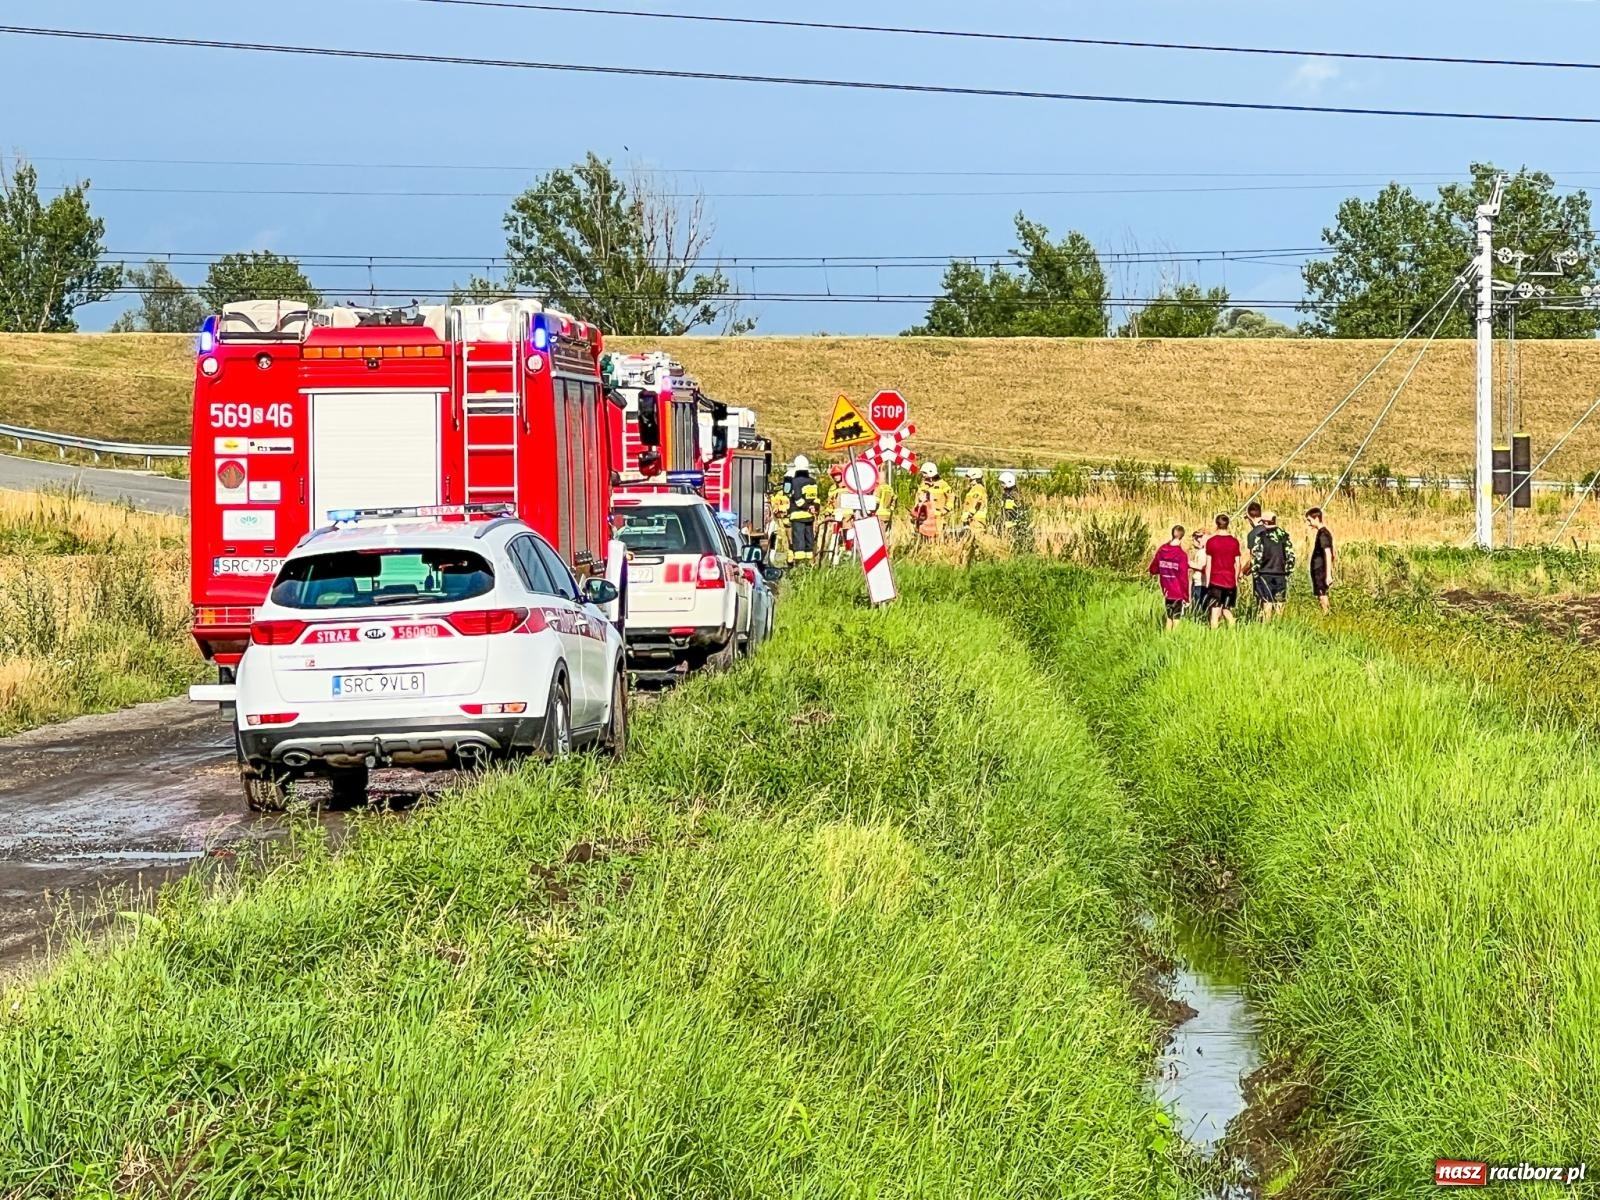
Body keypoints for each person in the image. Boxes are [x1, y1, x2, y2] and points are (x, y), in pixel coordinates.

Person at [1251, 510, 1296, 624]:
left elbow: (1257, 557)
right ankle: (1279, 625)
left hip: (1265, 573)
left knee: (1267, 602)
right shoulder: (1284, 536)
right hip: (1281, 573)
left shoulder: (1261, 536)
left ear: (1265, 522)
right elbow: (1290, 556)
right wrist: (1288, 571)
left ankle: (1267, 626)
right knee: (1280, 601)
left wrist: (1255, 572)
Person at [1203, 512, 1245, 628]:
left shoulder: (1211, 542)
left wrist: (1207, 583)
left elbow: (1208, 564)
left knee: (1215, 612)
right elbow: (1237, 563)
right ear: (1228, 525)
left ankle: (1214, 635)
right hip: (1230, 580)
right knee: (1226, 609)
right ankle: (1233, 629)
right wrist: (1235, 580)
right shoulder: (1234, 542)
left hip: (1216, 580)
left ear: (1217, 524)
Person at [1149, 525, 1191, 631]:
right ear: (1182, 536)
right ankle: (1175, 638)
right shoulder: (1181, 555)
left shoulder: (1162, 550)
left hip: (1166, 589)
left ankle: (1166, 636)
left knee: (1169, 616)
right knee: (1176, 617)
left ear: (1172, 533)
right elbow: (1183, 578)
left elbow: (1153, 569)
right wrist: (1186, 597)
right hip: (1177, 591)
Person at [786, 455, 819, 563]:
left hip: (797, 516)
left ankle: (800, 565)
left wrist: (807, 506)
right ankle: (810, 564)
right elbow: (816, 498)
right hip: (809, 517)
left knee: (799, 541)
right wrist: (814, 508)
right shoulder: (813, 481)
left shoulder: (795, 482)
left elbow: (798, 499)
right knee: (809, 541)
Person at [912, 462, 953, 540]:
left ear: (931, 472)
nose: (923, 475)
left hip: (938, 517)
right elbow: (917, 499)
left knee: (937, 538)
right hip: (923, 518)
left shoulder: (943, 484)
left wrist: (945, 509)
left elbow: (951, 497)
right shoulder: (923, 485)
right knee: (922, 537)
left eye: (925, 473)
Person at [1306, 507, 1336, 613]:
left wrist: (1328, 574)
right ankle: (1325, 613)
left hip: (1320, 570)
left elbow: (1328, 553)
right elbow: (1333, 553)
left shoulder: (1323, 534)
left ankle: (1326, 613)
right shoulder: (1323, 533)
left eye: (1310, 520)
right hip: (1319, 569)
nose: (1309, 523)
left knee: (1322, 594)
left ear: (1317, 518)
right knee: (1320, 594)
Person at [1187, 528, 1210, 618]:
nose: (1199, 539)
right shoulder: (1202, 551)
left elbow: (1204, 568)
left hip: (1201, 583)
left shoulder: (1204, 552)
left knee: (1200, 606)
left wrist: (1191, 564)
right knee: (1200, 606)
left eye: (1201, 537)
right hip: (1199, 582)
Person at [959, 468, 989, 535]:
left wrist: (969, 514)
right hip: (972, 519)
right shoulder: (973, 489)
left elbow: (976, 501)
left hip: (976, 520)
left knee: (977, 538)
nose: (968, 480)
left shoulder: (978, 488)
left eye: (970, 479)